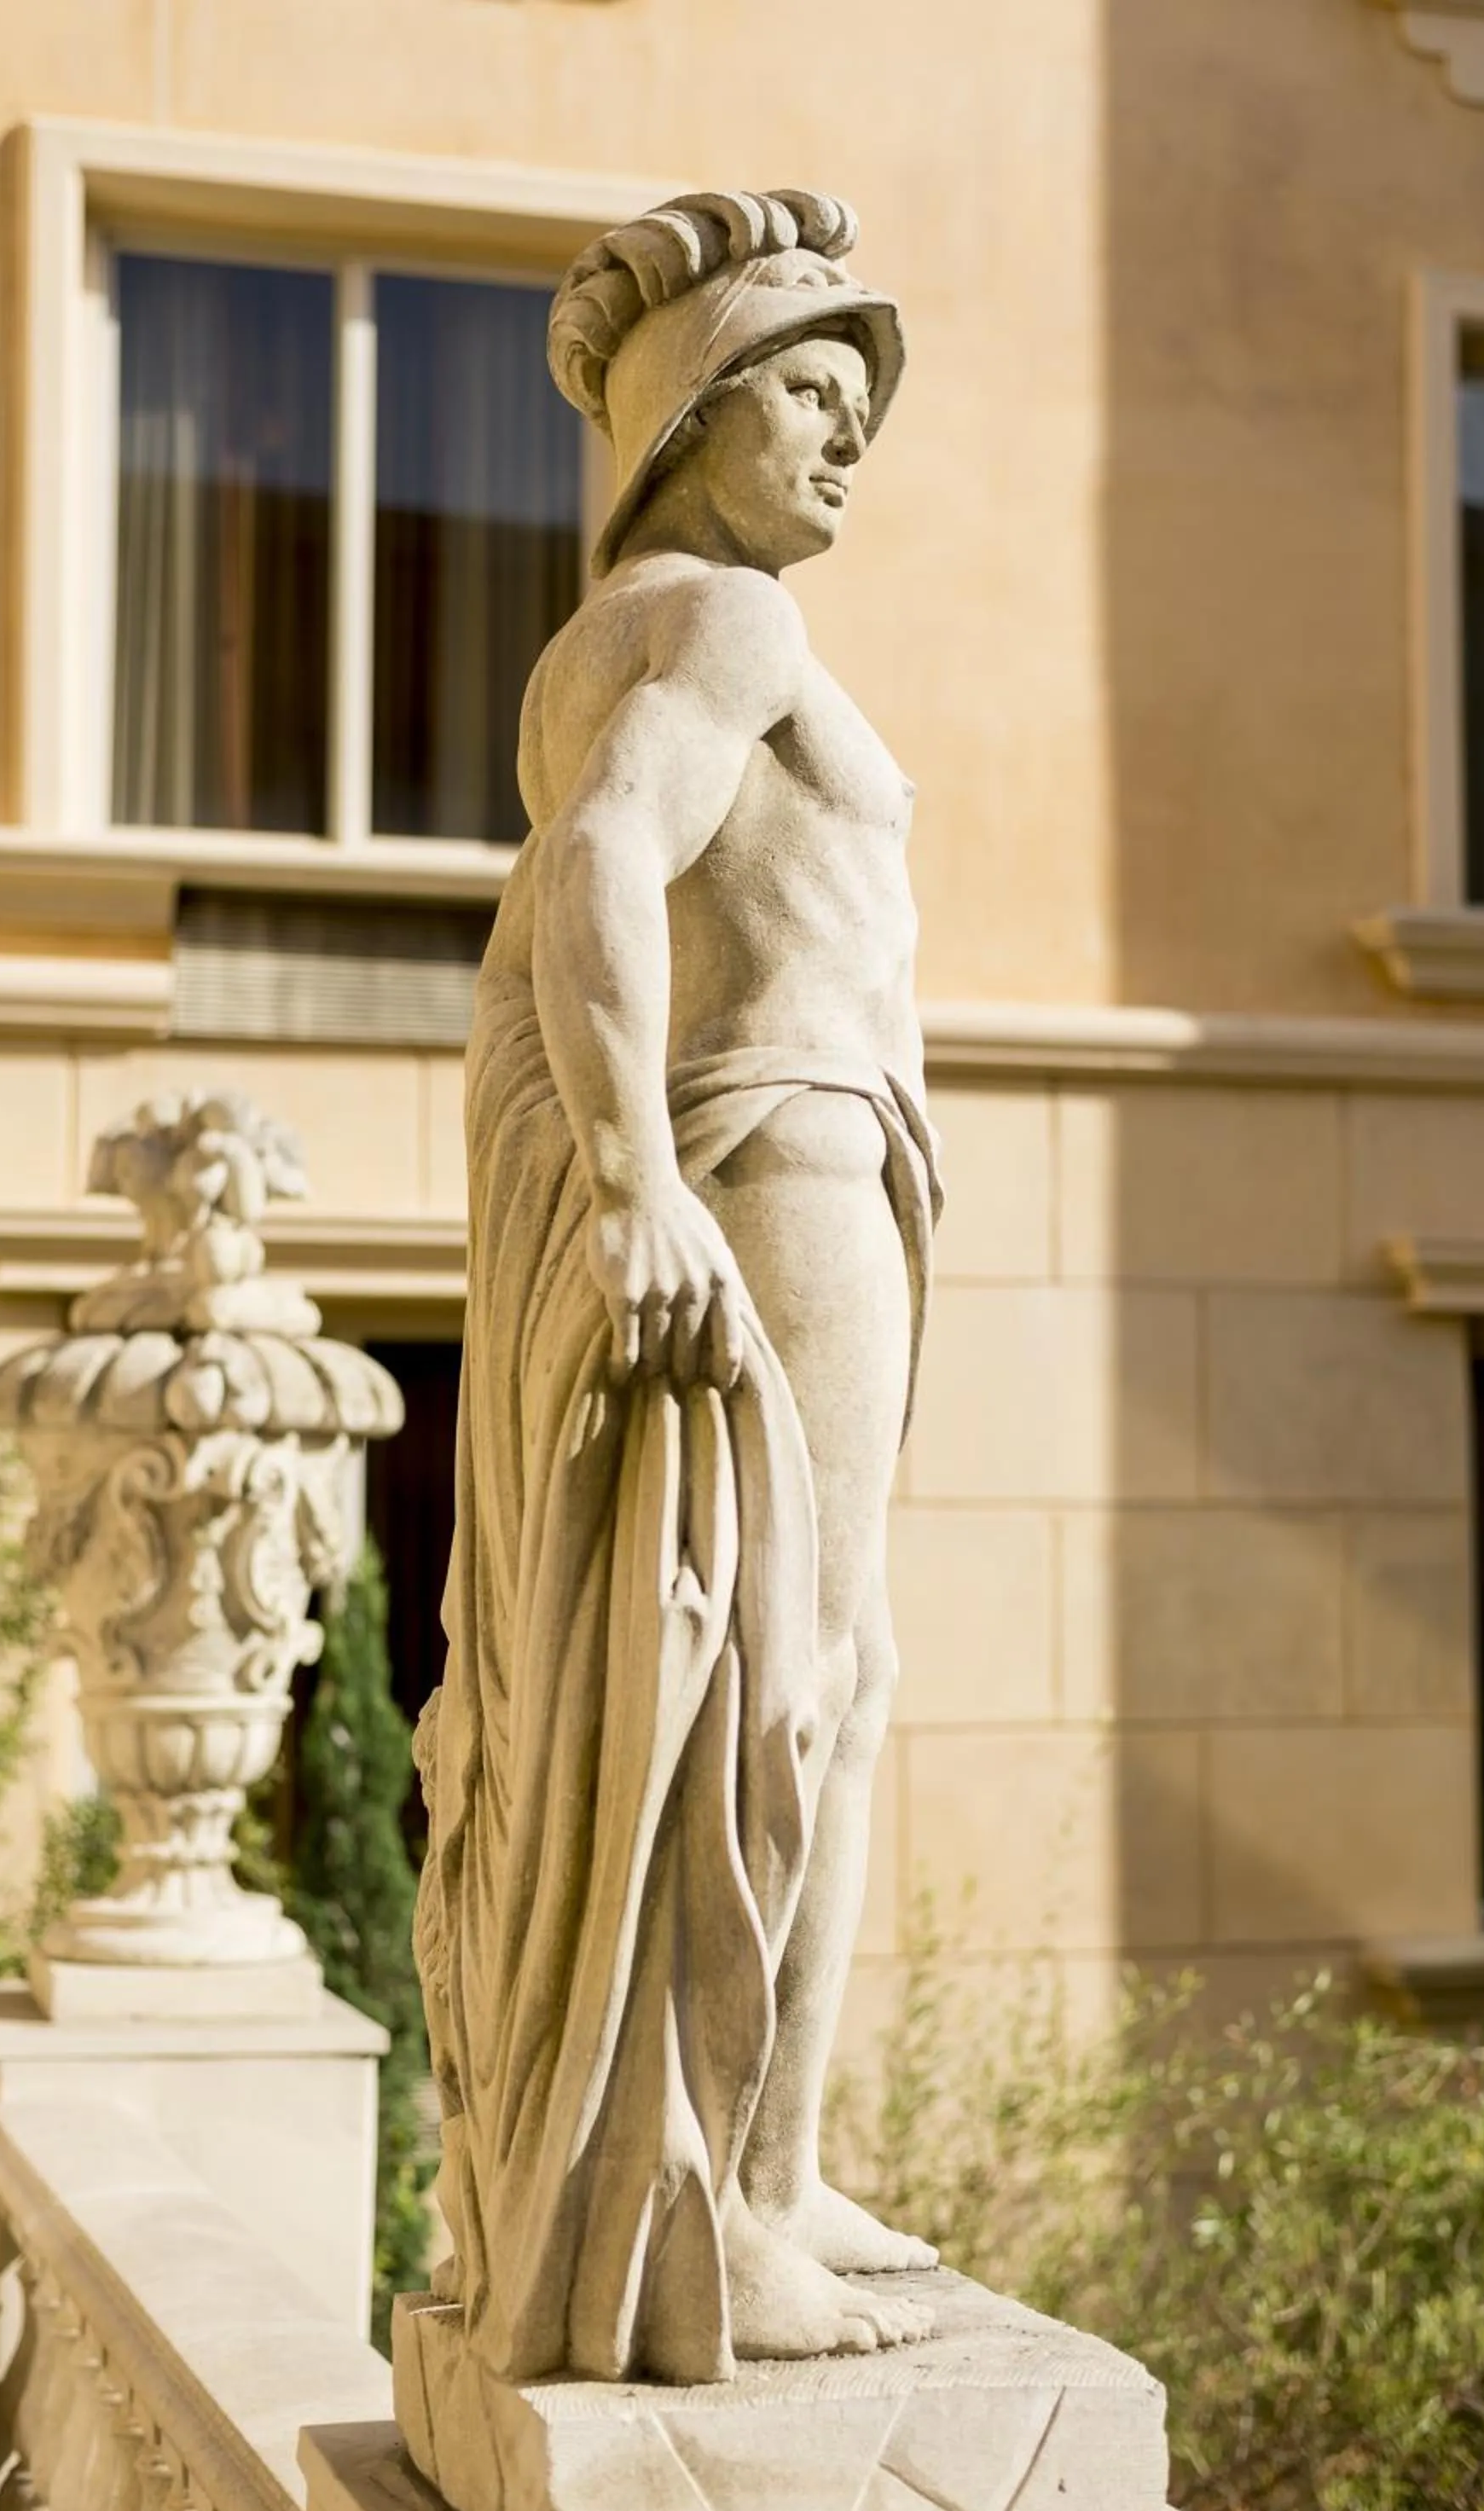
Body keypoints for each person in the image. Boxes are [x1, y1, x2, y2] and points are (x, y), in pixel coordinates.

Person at [412, 189, 944, 2387]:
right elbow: (606, 861)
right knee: (789, 1681)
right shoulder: (718, 617)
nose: (847, 443)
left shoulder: (623, 623)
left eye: (861, 407)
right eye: (808, 395)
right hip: (781, 1139)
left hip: (786, 1146)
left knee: (824, 1670)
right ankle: (726, 2204)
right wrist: (638, 1175)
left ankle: (770, 2167)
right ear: (690, 422)